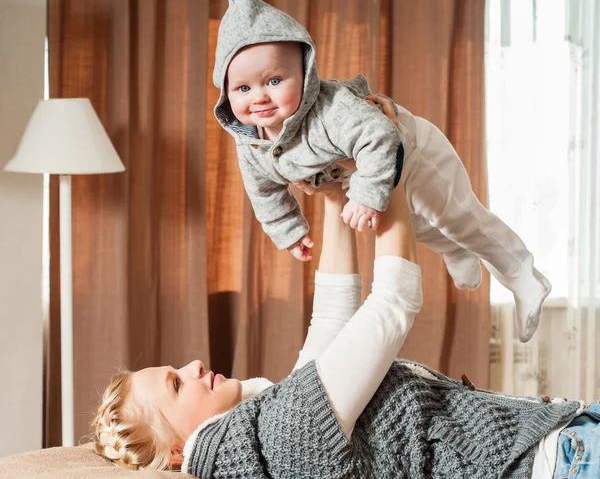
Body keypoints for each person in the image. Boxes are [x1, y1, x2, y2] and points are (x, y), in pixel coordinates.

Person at [93, 95, 589, 479]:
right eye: (177, 383)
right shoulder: (287, 436)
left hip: (559, 443)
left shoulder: (270, 430)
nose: (193, 364)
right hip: (558, 461)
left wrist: (332, 192)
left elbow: (332, 317)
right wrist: (384, 169)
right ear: (179, 451)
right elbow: (393, 303)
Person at [213, 0, 550, 343]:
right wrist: (289, 231)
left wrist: (365, 195)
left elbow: (380, 136)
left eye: (274, 81)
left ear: (305, 73)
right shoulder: (251, 142)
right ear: (226, 94)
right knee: (419, 226)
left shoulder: (331, 111)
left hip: (415, 150)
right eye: (242, 88)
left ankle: (523, 275)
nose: (259, 98)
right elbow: (264, 190)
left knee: (458, 217)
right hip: (370, 173)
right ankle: (456, 249)